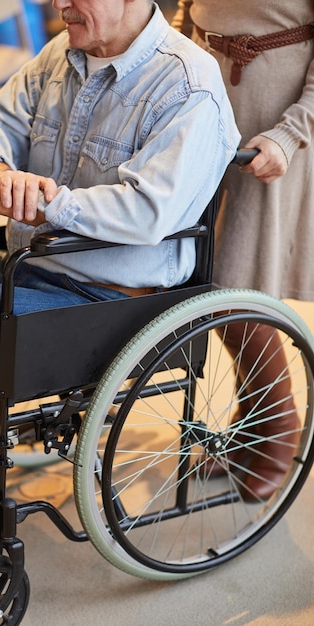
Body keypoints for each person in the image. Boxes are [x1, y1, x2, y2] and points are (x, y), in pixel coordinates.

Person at [0, 0, 239, 574]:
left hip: (107, 303)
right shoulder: (65, 52)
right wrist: (0, 180)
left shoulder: (189, 86)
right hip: (29, 265)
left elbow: (147, 211)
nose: (59, 5)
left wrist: (43, 201)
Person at [172, 1, 314, 499]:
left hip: (273, 127)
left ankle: (278, 430)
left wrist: (292, 132)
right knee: (194, 272)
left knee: (232, 287)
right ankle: (252, 417)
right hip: (200, 105)